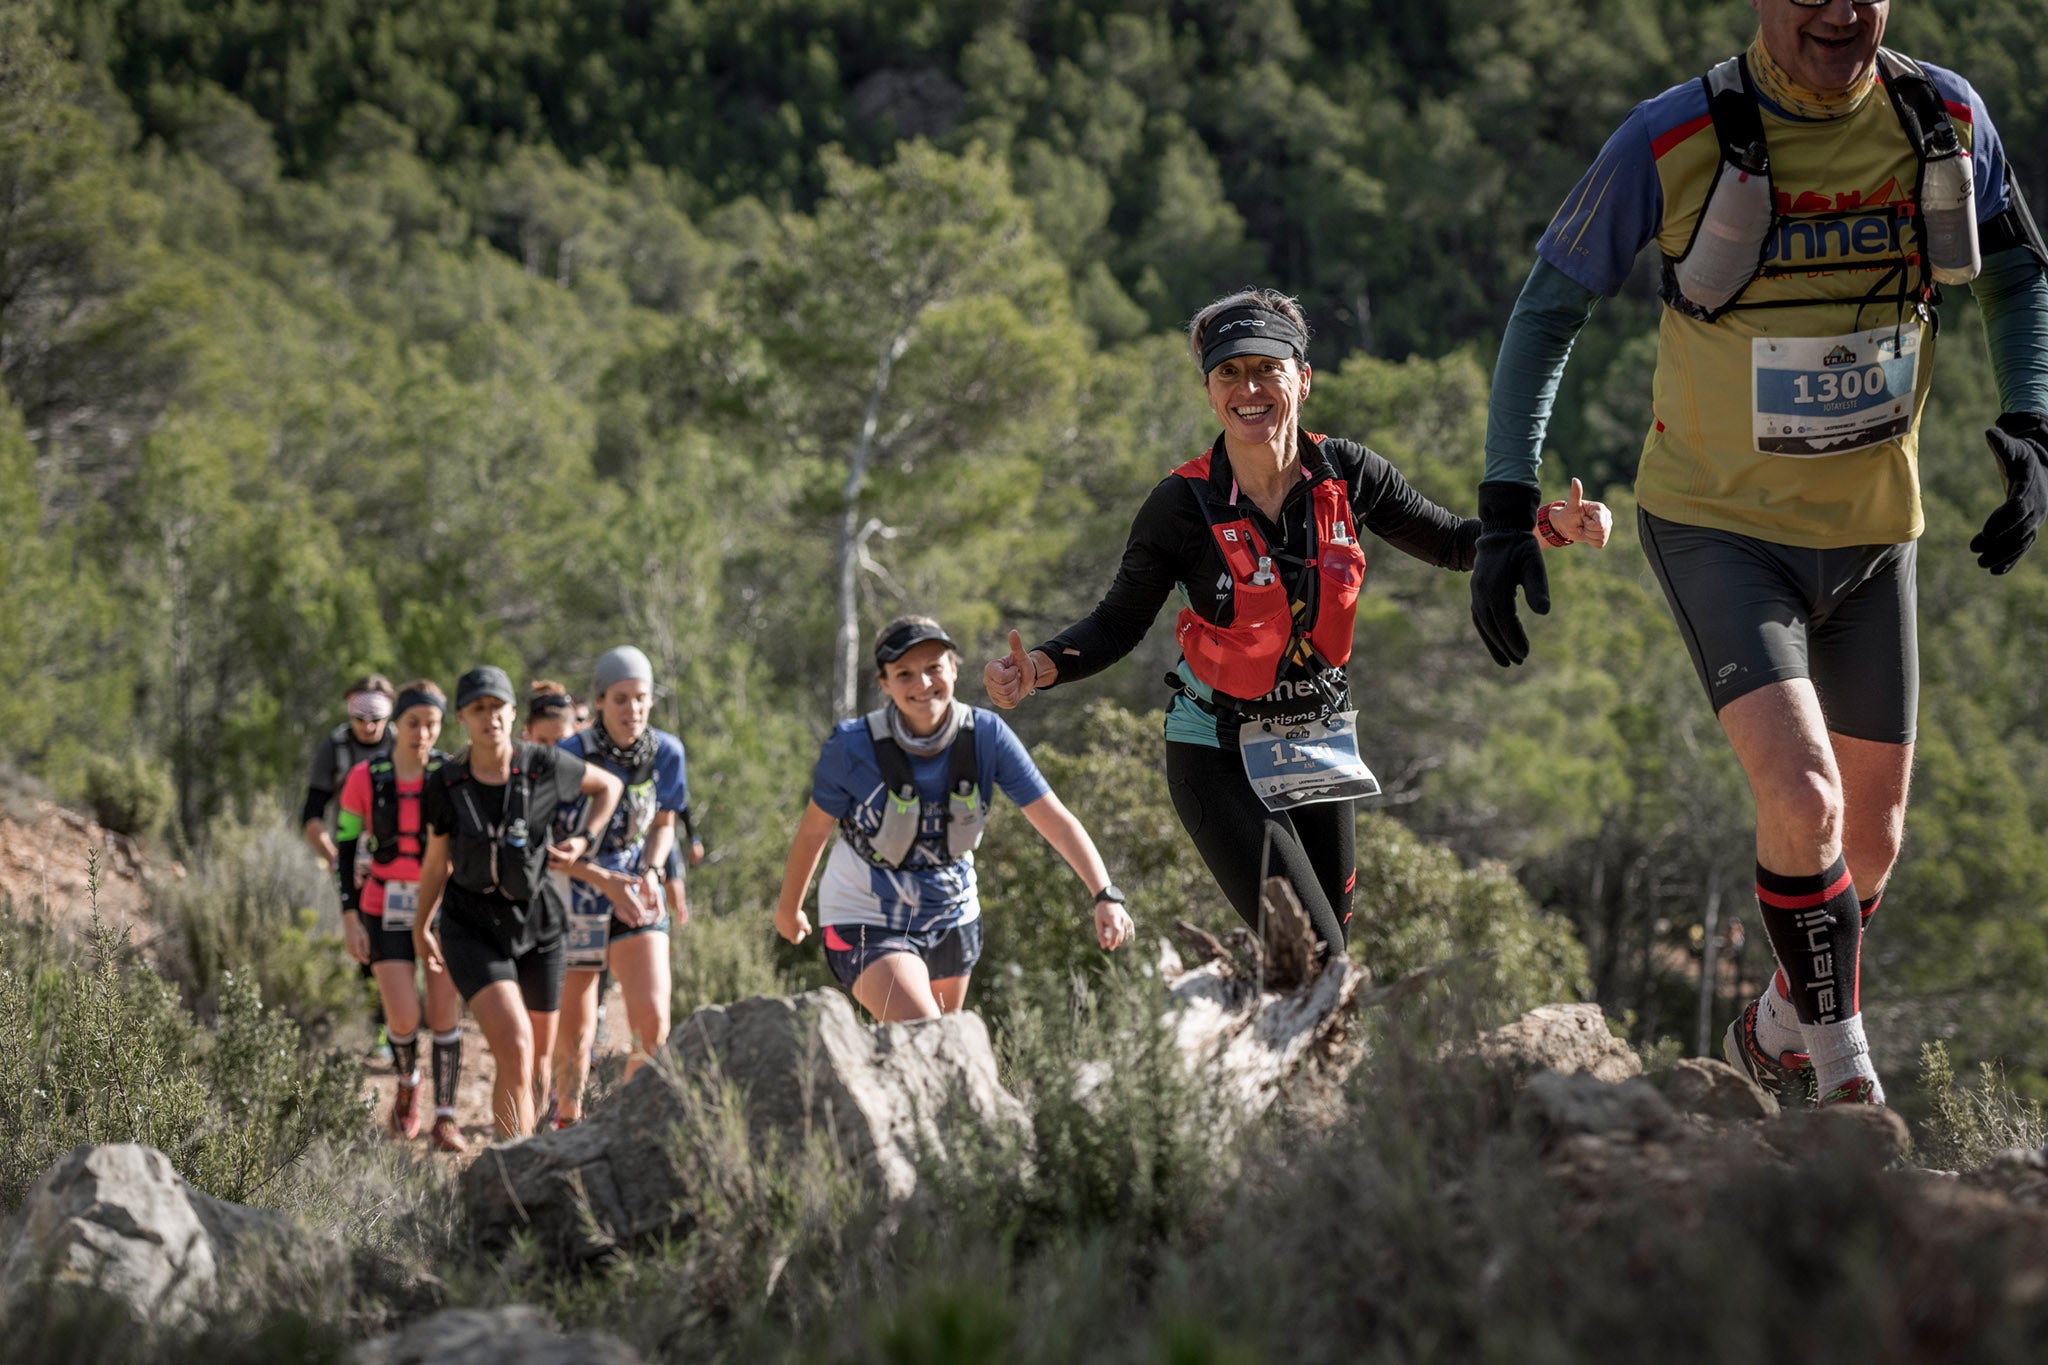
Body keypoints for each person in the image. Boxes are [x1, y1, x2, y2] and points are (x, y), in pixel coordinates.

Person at [1467, 0, 2048, 1108]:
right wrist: (1503, 507)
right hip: (1716, 525)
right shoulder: (1671, 135)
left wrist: (2029, 423)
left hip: (1877, 535)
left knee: (1865, 848)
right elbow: (1545, 313)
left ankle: (1780, 1020)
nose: (1839, 12)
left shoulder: (1943, 116)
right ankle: (1844, 1083)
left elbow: (2016, 277)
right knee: (1805, 799)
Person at [984, 291, 1610, 963]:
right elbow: (1116, 622)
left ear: (1302, 379)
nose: (1248, 388)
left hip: (1316, 746)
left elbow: (1457, 542)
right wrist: (1038, 669)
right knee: (1318, 959)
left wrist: (1548, 526)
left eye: (1265, 369)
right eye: (1229, 372)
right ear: (1209, 391)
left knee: (1323, 958)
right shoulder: (1181, 504)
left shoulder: (1348, 472)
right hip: (1216, 752)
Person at [776, 616, 1135, 1022]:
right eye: (904, 674)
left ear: (954, 668)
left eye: (934, 668)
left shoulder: (986, 735)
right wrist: (789, 909)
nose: (923, 684)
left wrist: (1105, 893)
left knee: (942, 1050)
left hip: (953, 915)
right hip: (866, 917)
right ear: (884, 683)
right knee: (927, 1035)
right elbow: (814, 832)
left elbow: (1054, 820)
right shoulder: (851, 746)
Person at [413, 666, 623, 1139]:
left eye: (498, 707)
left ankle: (530, 1159)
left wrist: (583, 840)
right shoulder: (446, 783)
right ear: (463, 718)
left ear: (512, 713)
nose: (490, 718)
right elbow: (435, 862)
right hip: (471, 927)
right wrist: (420, 924)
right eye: (478, 709)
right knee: (515, 1044)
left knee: (538, 1063)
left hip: (540, 925)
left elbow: (609, 786)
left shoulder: (542, 764)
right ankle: (513, 1175)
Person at [549, 647, 690, 1126]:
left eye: (641, 699)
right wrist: (602, 880)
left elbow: (664, 823)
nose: (632, 709)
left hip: (636, 884)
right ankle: (567, 1121)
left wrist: (652, 871)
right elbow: (548, 848)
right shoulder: (569, 756)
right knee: (577, 1029)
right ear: (601, 701)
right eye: (621, 699)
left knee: (652, 1022)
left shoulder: (666, 752)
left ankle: (630, 1125)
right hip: (578, 888)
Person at [334, 680, 468, 1154]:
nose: (422, 734)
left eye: (432, 724)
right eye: (413, 723)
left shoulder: (452, 775)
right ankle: (408, 1082)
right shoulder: (365, 778)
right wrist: (350, 916)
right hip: (382, 904)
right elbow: (345, 849)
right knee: (404, 1016)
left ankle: (446, 1118)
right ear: (397, 724)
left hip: (440, 907)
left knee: (443, 1011)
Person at [301, 674, 399, 1059]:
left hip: (399, 859)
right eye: (360, 716)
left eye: (377, 716)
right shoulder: (336, 748)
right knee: (365, 944)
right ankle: (382, 1029)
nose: (368, 725)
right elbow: (311, 815)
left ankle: (403, 1020)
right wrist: (334, 859)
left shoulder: (402, 740)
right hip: (352, 858)